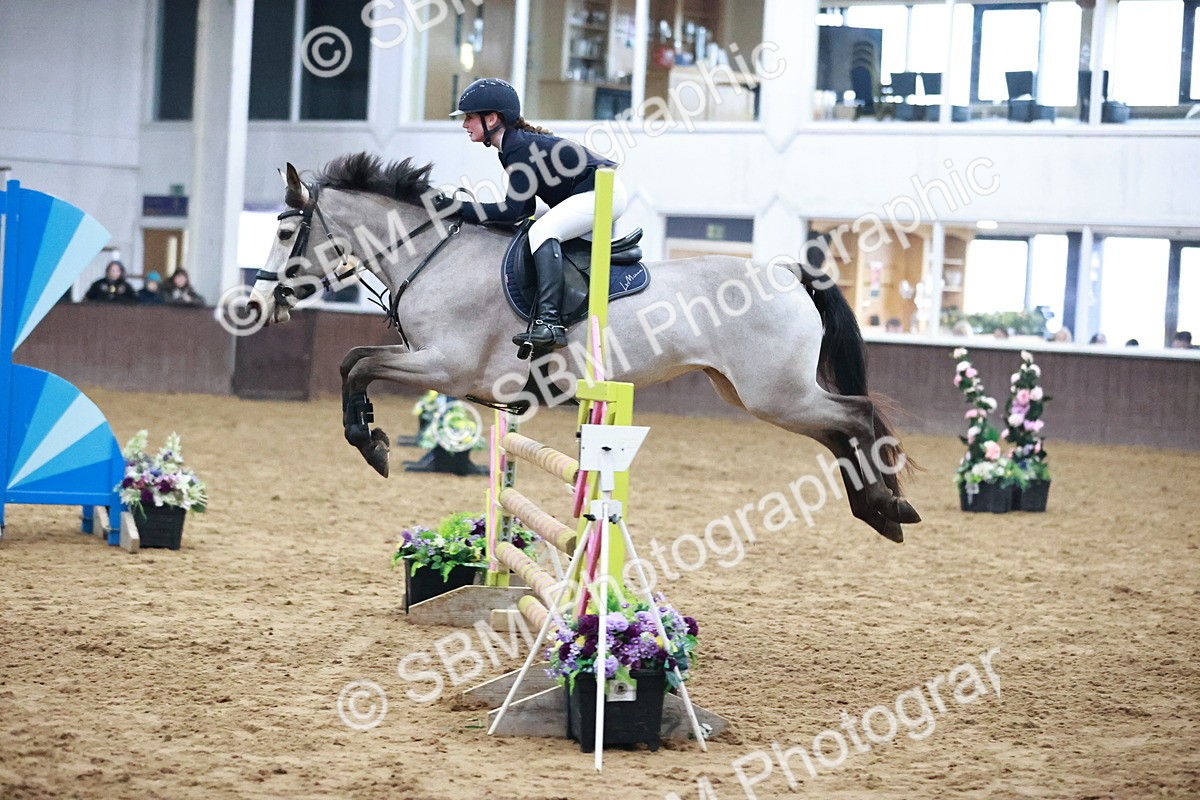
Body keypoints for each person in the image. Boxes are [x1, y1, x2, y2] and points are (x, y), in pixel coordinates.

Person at [443, 78, 625, 350]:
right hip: (593, 193)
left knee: (542, 230)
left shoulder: (517, 148)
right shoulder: (511, 147)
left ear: (491, 119)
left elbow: (512, 210)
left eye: (469, 117)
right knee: (532, 227)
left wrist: (454, 207)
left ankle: (549, 323)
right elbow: (524, 209)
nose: (464, 124)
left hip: (602, 192)